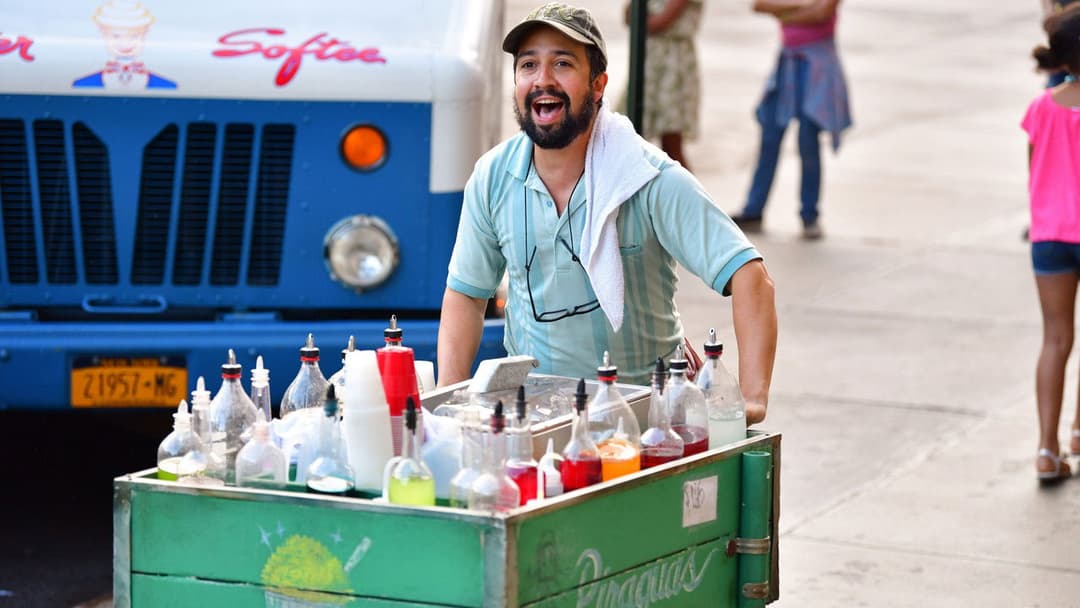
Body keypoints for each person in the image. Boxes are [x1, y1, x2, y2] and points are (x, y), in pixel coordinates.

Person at [436, 2, 777, 424]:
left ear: (598, 85)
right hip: (537, 418)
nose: (543, 80)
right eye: (528, 65)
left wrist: (752, 396)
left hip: (650, 420)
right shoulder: (492, 177)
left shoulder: (647, 178)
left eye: (562, 63)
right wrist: (447, 402)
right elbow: (468, 294)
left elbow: (751, 278)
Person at [731, 0, 851, 240]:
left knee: (808, 140)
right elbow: (760, 5)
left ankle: (810, 214)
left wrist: (784, 12)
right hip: (788, 59)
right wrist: (804, 5)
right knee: (770, 136)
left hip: (817, 61)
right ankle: (754, 209)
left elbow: (822, 12)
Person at [1023, 4, 1080, 484]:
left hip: (1049, 238)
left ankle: (1046, 449)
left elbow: (1034, 171)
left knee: (1056, 339)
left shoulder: (1042, 107)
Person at [618, 0, 704, 171]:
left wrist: (641, 19)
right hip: (648, 62)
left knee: (671, 143)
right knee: (629, 136)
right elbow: (629, 15)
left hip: (673, 63)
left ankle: (689, 195)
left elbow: (660, 22)